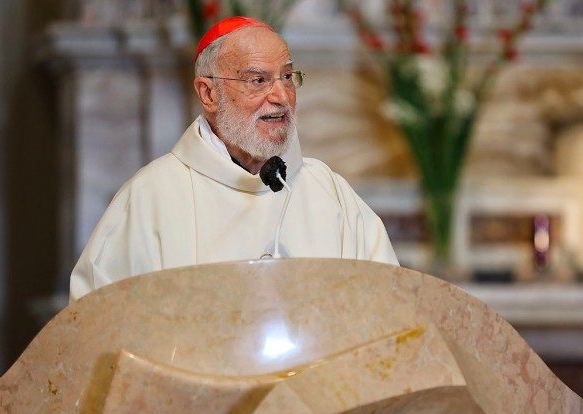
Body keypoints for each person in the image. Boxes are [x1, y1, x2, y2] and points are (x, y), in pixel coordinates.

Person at [69, 16, 398, 301]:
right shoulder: (150, 197)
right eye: (259, 80)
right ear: (209, 94)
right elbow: (98, 323)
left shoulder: (330, 194)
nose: (281, 97)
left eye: (287, 77)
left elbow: (385, 305)